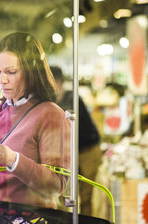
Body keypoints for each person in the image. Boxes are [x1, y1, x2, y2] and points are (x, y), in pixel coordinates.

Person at [0, 32, 71, 223]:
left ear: (31, 71)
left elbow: (56, 185)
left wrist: (11, 159)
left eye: (11, 72)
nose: (2, 80)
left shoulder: (51, 115)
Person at [50, 65, 102, 216]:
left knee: (86, 197)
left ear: (59, 82)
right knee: (61, 199)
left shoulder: (73, 100)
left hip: (87, 151)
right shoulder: (48, 102)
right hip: (65, 155)